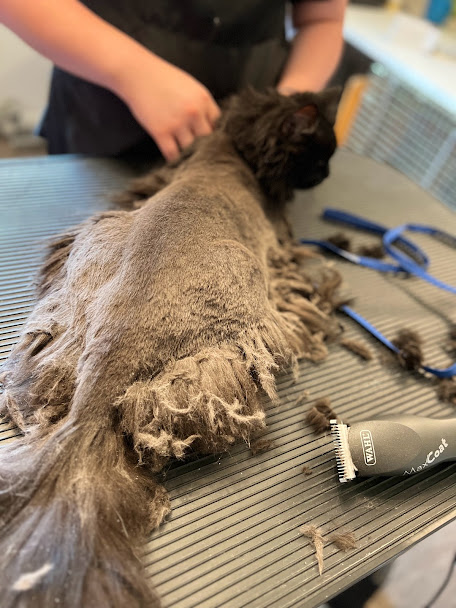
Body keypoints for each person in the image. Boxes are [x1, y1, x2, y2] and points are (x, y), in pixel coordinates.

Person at [1, 0, 347, 159]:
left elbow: (322, 19)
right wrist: (132, 72)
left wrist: (286, 103)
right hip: (102, 121)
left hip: (248, 144)